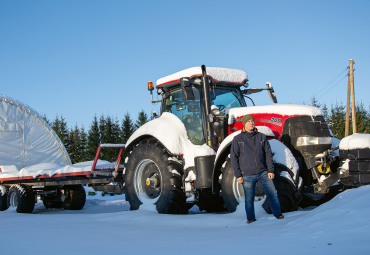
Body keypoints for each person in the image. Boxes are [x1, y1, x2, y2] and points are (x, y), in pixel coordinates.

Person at [230, 114, 284, 223]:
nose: (251, 123)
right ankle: (250, 219)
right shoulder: (238, 139)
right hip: (247, 174)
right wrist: (238, 175)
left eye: (252, 121)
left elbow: (268, 154)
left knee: (272, 194)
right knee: (249, 200)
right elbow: (234, 157)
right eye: (249, 121)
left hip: (263, 172)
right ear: (244, 123)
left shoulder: (261, 137)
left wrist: (270, 170)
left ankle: (278, 215)